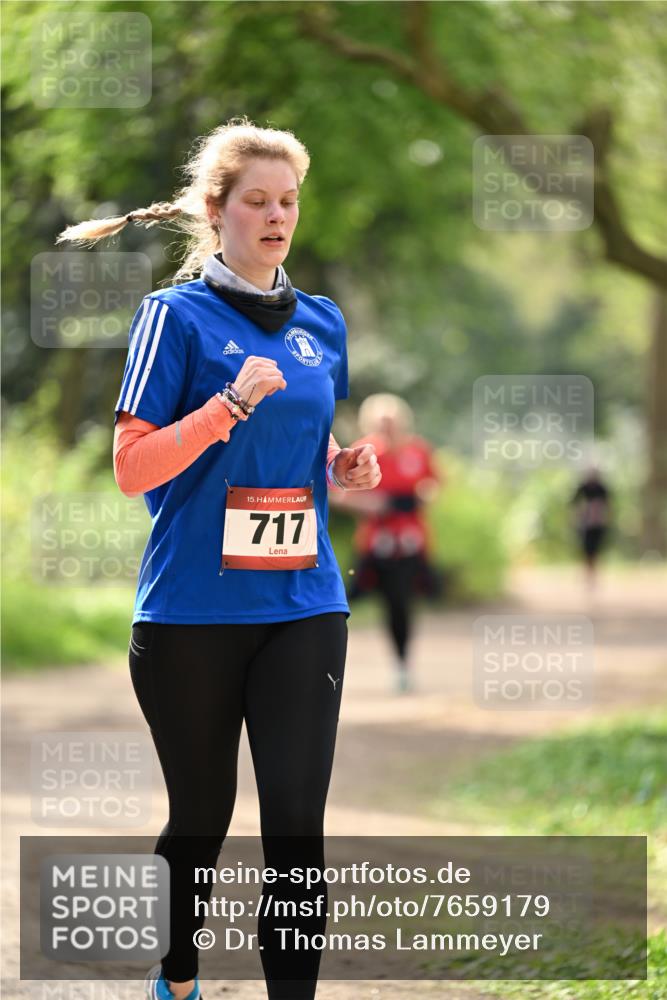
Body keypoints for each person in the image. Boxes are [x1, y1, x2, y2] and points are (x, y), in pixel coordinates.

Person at [56, 118, 382, 1000]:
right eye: (258, 202)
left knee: (295, 827)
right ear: (216, 210)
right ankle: (178, 971)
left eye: (288, 202)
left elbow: (305, 435)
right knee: (201, 818)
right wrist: (225, 407)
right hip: (192, 611)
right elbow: (133, 468)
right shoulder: (173, 318)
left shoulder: (321, 322)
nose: (277, 218)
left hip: (304, 605)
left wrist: (340, 465)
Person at [330, 394, 441, 693]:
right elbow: (338, 493)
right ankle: (329, 665)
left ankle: (402, 664)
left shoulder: (418, 451)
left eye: (392, 423)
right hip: (372, 542)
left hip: (408, 543)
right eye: (381, 424)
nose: (388, 429)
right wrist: (370, 504)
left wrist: (420, 496)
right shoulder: (362, 451)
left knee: (400, 602)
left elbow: (434, 486)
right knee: (342, 597)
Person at [571, 466, 612, 591]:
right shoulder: (582, 488)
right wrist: (578, 517)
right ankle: (587, 576)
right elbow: (574, 504)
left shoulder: (602, 488)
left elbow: (608, 505)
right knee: (586, 550)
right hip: (585, 525)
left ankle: (594, 576)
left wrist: (605, 519)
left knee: (596, 550)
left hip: (598, 525)